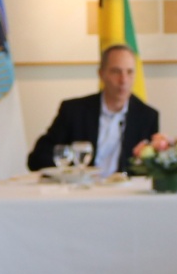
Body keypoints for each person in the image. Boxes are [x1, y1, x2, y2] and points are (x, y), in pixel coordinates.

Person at [27, 45, 159, 176]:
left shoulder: (147, 116)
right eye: (116, 71)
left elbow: (152, 168)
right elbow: (37, 158)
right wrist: (74, 167)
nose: (123, 80)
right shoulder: (74, 111)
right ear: (101, 74)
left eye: (129, 72)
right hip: (80, 187)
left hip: (125, 189)